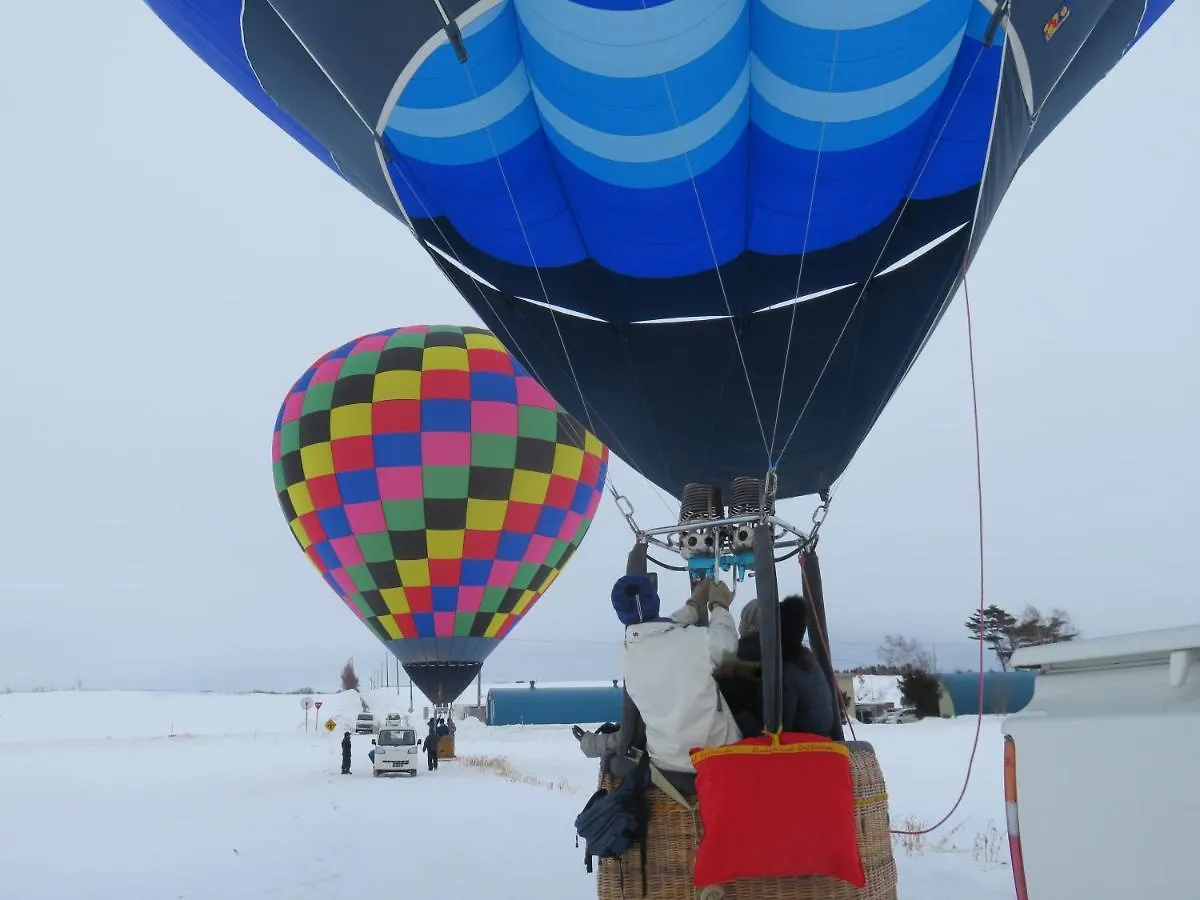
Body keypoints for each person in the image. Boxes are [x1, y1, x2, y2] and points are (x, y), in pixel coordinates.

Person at [609, 574, 742, 775]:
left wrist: (693, 604)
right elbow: (727, 644)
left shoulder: (629, 652)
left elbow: (658, 628)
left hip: (667, 763)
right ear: (657, 600)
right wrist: (719, 606)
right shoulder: (693, 642)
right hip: (716, 755)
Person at [714, 594, 837, 738]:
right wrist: (736, 668)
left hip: (802, 745)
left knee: (736, 716)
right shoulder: (804, 659)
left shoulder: (787, 673)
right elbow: (764, 673)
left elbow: (780, 729)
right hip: (818, 737)